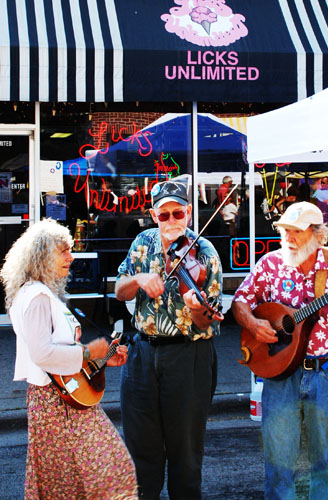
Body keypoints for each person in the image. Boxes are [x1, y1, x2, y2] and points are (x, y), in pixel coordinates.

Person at [231, 202, 328, 500]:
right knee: (278, 457)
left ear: (318, 235)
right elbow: (240, 301)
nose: (289, 238)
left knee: (325, 458)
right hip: (280, 372)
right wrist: (254, 324)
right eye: (286, 231)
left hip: (326, 372)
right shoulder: (270, 264)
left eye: (297, 231)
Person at [0, 219, 138, 500]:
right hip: (56, 404)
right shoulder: (37, 297)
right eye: (63, 251)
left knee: (69, 480)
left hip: (60, 398)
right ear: (42, 256)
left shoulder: (39, 293)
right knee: (107, 471)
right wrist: (89, 353)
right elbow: (43, 354)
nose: (71, 257)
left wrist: (103, 360)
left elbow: (59, 355)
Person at [115, 180, 223, 500]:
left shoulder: (205, 253)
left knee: (185, 451)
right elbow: (119, 290)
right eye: (164, 215)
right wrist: (138, 278)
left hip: (188, 355)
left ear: (189, 212)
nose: (172, 220)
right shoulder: (142, 242)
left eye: (178, 213)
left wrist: (197, 309)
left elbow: (207, 321)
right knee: (140, 446)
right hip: (142, 354)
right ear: (153, 215)